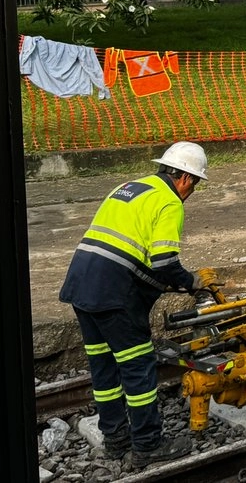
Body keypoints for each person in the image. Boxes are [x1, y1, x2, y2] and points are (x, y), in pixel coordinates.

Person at [59, 141, 211, 468]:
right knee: (138, 365)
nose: (192, 191)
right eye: (195, 184)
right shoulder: (169, 202)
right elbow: (164, 262)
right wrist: (191, 282)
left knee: (103, 366)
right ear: (185, 178)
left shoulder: (129, 187)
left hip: (81, 283)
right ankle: (147, 444)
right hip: (113, 292)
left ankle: (115, 439)